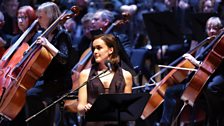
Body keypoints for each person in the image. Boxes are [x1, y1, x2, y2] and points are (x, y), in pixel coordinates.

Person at [156, 16, 224, 126]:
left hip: (210, 82)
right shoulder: (204, 45)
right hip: (197, 83)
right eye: (209, 28)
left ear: (221, 30)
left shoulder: (221, 46)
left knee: (211, 90)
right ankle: (165, 123)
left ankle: (213, 119)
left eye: (215, 28)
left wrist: (195, 62)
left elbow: (213, 68)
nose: (211, 31)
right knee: (170, 91)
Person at [25, 2, 73, 126]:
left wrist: (47, 45)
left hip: (59, 81)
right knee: (25, 91)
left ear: (50, 16)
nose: (38, 20)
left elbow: (65, 60)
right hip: (45, 79)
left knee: (31, 95)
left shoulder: (62, 35)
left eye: (40, 17)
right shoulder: (40, 34)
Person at [77, 34, 133, 126]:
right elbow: (80, 107)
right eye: (93, 48)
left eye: (99, 48)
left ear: (111, 50)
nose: (95, 51)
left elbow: (127, 108)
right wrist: (85, 108)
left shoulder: (126, 75)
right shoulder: (85, 74)